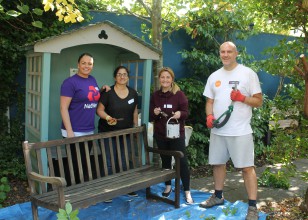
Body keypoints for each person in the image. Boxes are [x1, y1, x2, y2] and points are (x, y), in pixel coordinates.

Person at [200, 41, 263, 220]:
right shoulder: (214, 76)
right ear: (219, 54)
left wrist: (242, 98)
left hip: (240, 130)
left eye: (229, 51)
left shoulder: (247, 73)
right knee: (218, 163)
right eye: (222, 51)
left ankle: (252, 207)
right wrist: (209, 116)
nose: (225, 54)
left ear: (236, 53)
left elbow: (258, 101)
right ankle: (218, 196)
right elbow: (209, 101)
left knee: (247, 168)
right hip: (219, 131)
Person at [59, 52, 108, 185]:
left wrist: (102, 90)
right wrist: (69, 132)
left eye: (90, 64)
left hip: (88, 129)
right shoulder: (70, 83)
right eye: (84, 63)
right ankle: (69, 194)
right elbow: (63, 108)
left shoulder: (92, 79)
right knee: (74, 164)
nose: (87, 66)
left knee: (85, 162)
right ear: (78, 64)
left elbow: (91, 98)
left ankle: (81, 191)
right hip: (74, 130)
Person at [149, 67, 194, 205]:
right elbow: (151, 116)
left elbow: (186, 112)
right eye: (162, 77)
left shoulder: (179, 95)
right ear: (159, 79)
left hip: (176, 135)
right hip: (161, 134)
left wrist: (180, 114)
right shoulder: (155, 95)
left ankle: (187, 190)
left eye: (168, 77)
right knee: (166, 161)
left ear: (172, 79)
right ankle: (168, 185)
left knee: (182, 162)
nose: (165, 80)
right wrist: (155, 113)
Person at [96, 65, 138, 201]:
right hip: (108, 133)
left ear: (128, 77)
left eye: (125, 74)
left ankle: (126, 187)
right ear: (115, 77)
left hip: (125, 133)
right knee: (109, 161)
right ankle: (106, 190)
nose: (122, 76)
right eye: (119, 74)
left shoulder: (133, 93)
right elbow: (99, 110)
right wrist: (108, 117)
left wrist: (135, 127)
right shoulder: (108, 92)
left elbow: (135, 111)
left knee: (125, 160)